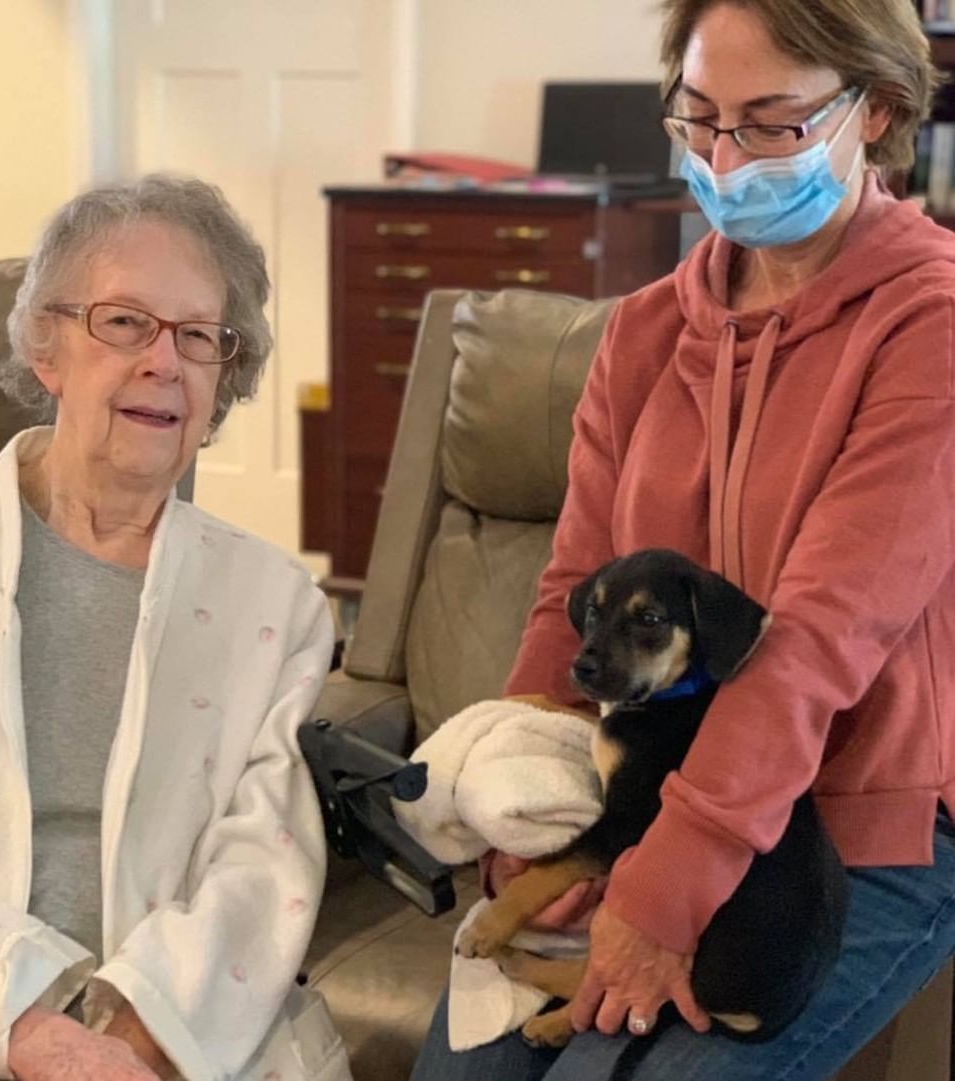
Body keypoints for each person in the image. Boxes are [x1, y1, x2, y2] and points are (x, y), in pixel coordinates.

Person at [411, 1, 955, 1079]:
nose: (722, 157)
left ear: (878, 109)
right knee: (469, 1068)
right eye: (698, 117)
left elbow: (814, 639)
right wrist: (528, 799)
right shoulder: (648, 330)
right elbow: (575, 577)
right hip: (653, 786)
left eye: (768, 124)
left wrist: (665, 888)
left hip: (859, 825)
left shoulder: (930, 326)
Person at [0, 175, 351, 1081]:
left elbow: (264, 864)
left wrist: (135, 1043)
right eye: (126, 322)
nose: (164, 362)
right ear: (45, 345)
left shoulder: (275, 603)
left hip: (178, 1043)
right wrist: (30, 1032)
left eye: (199, 337)